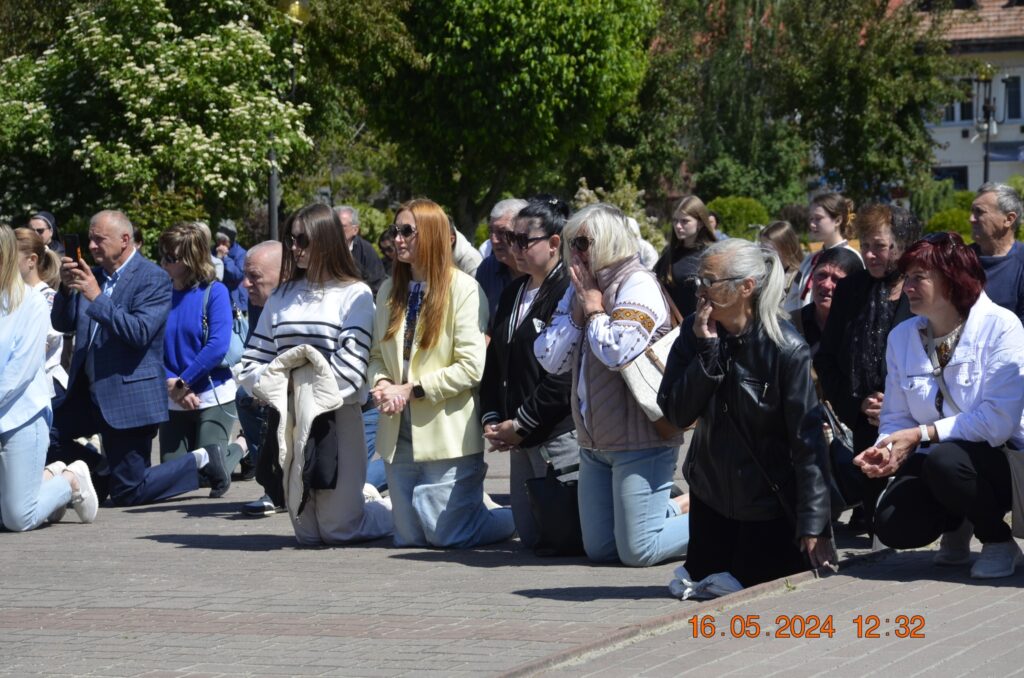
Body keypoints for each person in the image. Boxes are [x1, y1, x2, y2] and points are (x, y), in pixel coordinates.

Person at [658, 238, 834, 588]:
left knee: (751, 597)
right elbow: (676, 413)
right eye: (699, 282)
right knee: (705, 593)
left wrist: (814, 524)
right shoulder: (696, 331)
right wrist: (706, 355)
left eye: (710, 282)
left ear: (746, 287)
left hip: (766, 507)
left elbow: (807, 442)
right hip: (710, 499)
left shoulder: (785, 349)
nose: (700, 291)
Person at [859, 232, 1024, 579]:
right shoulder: (902, 336)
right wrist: (886, 448)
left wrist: (920, 434)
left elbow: (998, 423)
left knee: (945, 460)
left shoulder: (1001, 327)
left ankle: (997, 540)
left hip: (1002, 460)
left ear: (952, 279)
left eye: (919, 277)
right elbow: (895, 416)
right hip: (939, 459)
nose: (907, 287)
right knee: (892, 524)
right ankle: (959, 521)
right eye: (907, 277)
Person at [535, 203, 689, 567]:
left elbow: (616, 351)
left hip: (642, 439)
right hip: (593, 442)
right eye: (572, 241)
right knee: (601, 549)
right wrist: (580, 308)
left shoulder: (637, 283)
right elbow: (549, 357)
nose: (575, 251)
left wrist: (593, 308)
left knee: (639, 551)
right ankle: (668, 509)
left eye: (584, 242)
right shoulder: (581, 288)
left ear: (608, 240)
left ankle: (726, 521)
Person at [49, 210, 230, 506]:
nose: (92, 246)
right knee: (45, 432)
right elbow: (63, 324)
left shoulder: (154, 278)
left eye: (99, 239)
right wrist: (67, 290)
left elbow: (139, 332)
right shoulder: (91, 277)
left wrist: (97, 297)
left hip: (128, 398)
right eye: (90, 239)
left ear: (124, 240)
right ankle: (101, 471)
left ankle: (202, 459)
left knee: (128, 492)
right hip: (87, 394)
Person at [238, 204, 393, 546]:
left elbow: (352, 372)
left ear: (325, 240)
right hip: (289, 420)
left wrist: (290, 372)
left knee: (340, 531)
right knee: (307, 533)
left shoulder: (355, 294)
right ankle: (365, 497)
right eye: (291, 239)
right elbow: (250, 364)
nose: (294, 247)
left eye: (302, 239)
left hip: (337, 419)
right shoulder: (281, 295)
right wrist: (293, 377)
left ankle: (398, 509)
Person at [368, 198, 514, 549]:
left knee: (447, 536)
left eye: (407, 231)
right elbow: (376, 355)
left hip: (446, 433)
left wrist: (411, 390)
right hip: (398, 430)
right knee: (409, 538)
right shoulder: (389, 290)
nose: (397, 239)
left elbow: (471, 367)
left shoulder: (463, 289)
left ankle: (518, 517)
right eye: (395, 231)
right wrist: (382, 383)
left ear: (433, 235)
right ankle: (472, 507)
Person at [814, 204, 921, 532]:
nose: (871, 254)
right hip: (864, 423)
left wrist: (897, 404)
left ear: (901, 246)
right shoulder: (851, 290)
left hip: (916, 424)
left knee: (909, 515)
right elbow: (827, 359)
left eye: (880, 246)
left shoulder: (922, 290)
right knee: (877, 520)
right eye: (866, 245)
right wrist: (856, 403)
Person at [480, 196, 578, 548]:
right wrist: (492, 418)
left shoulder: (568, 291)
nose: (514, 248)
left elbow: (564, 373)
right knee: (532, 540)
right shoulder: (512, 293)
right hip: (518, 439)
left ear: (554, 243)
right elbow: (495, 365)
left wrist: (522, 423)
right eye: (510, 239)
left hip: (556, 436)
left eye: (524, 240)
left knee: (563, 542)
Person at [0, 225, 97, 530]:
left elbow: (20, 372)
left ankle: (71, 479)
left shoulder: (33, 303)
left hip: (22, 417)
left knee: (18, 518)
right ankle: (48, 476)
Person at [156, 223, 241, 492]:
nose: (164, 262)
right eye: (163, 255)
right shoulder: (161, 294)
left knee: (209, 473)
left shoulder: (215, 292)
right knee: (174, 478)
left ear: (190, 260)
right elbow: (152, 345)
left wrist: (184, 382)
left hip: (212, 393)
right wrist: (173, 385)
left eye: (172, 257)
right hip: (175, 396)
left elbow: (217, 346)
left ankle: (242, 447)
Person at [235, 241, 286, 516]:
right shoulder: (261, 304)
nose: (245, 284)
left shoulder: (306, 304)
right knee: (246, 397)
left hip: (351, 406)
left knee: (357, 487)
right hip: (280, 391)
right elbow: (255, 356)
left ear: (283, 274)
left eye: (254, 276)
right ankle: (272, 482)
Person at [784, 192, 862, 311]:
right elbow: (793, 299)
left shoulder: (852, 259)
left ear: (837, 220)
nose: (812, 224)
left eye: (818, 218)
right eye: (811, 218)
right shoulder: (809, 260)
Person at [15, 228, 68, 396]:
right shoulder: (11, 299)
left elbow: (33, 355)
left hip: (44, 392)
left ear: (31, 261)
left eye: (7, 258)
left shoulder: (47, 299)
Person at [789, 247, 864, 355]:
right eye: (822, 275)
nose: (826, 285)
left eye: (836, 279)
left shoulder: (863, 328)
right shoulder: (792, 324)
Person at [968, 182, 1024, 324]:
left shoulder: (1021, 263)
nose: (971, 219)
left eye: (979, 212)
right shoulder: (959, 259)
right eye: (972, 211)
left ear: (1009, 219)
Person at [655, 195, 718, 319]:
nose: (678, 226)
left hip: (701, 326)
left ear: (700, 223)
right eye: (675, 220)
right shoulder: (669, 253)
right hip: (670, 328)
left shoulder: (713, 254)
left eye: (684, 221)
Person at [475, 198, 528, 323]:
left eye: (502, 232)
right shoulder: (487, 268)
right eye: (491, 231)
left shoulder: (540, 269)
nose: (493, 239)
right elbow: (480, 320)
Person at [335, 205, 386, 296]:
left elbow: (377, 284)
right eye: (333, 225)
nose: (336, 230)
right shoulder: (323, 249)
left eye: (342, 226)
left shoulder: (366, 250)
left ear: (355, 229)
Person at [759, 220, 803, 305]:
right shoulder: (766, 271)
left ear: (786, 248)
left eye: (767, 249)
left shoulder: (797, 277)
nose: (763, 253)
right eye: (762, 248)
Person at [215, 219, 248, 312]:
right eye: (218, 241)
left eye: (224, 242)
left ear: (231, 241)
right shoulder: (214, 251)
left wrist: (225, 258)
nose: (220, 245)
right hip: (218, 300)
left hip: (236, 301)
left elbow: (238, 275)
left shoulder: (241, 254)